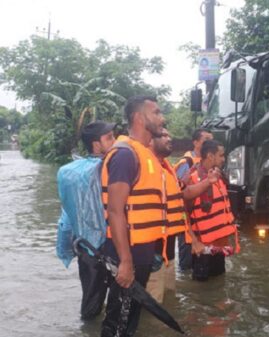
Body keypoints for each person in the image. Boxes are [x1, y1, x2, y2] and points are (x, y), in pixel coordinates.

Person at [100, 95, 166, 337]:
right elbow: (115, 211)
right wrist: (125, 262)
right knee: (118, 325)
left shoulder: (144, 154)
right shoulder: (126, 155)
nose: (162, 118)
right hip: (126, 256)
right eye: (156, 113)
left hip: (141, 255)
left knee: (128, 323)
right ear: (139, 118)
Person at [56, 121, 115, 320]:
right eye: (110, 138)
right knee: (115, 302)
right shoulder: (109, 167)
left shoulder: (68, 171)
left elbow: (66, 216)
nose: (115, 142)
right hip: (111, 247)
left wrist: (65, 248)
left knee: (91, 303)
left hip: (87, 249)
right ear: (96, 144)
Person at [184, 139, 238, 281]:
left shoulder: (219, 176)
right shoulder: (192, 179)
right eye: (221, 155)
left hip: (219, 247)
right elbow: (182, 214)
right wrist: (194, 242)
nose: (223, 159)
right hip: (203, 249)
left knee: (218, 287)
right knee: (202, 293)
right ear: (210, 156)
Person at [145, 128, 189, 303]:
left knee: (170, 300)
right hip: (152, 254)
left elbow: (184, 194)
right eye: (163, 136)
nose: (169, 138)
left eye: (169, 135)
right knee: (153, 305)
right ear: (150, 141)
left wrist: (208, 182)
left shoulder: (167, 168)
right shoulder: (143, 166)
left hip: (168, 254)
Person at [174, 128, 213, 271]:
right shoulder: (187, 163)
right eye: (205, 140)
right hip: (187, 220)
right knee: (187, 264)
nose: (210, 143)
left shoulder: (209, 163)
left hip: (203, 221)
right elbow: (179, 194)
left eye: (211, 140)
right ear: (195, 142)